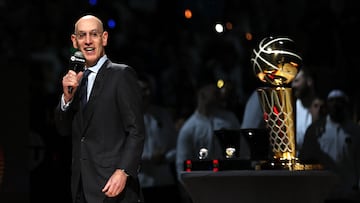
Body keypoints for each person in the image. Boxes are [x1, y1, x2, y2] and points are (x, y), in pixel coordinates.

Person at [54, 14, 145, 203]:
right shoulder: (74, 80)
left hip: (114, 188)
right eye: (82, 35)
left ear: (104, 38)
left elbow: (136, 131)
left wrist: (124, 171)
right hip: (81, 188)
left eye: (94, 35)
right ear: (74, 40)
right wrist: (67, 98)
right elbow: (63, 130)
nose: (88, 41)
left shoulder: (121, 75)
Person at [299, 89, 360, 202]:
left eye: (339, 101)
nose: (336, 104)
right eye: (332, 101)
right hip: (323, 194)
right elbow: (305, 159)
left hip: (348, 194)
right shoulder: (315, 130)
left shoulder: (355, 131)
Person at [137, 73, 180, 203]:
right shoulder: (125, 118)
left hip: (165, 181)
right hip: (142, 183)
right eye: (143, 90)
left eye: (149, 89)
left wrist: (164, 158)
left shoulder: (162, 114)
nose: (147, 93)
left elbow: (176, 146)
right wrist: (149, 157)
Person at [291, 66, 319, 155]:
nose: (293, 85)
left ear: (309, 81)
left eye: (297, 81)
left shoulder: (322, 108)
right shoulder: (291, 109)